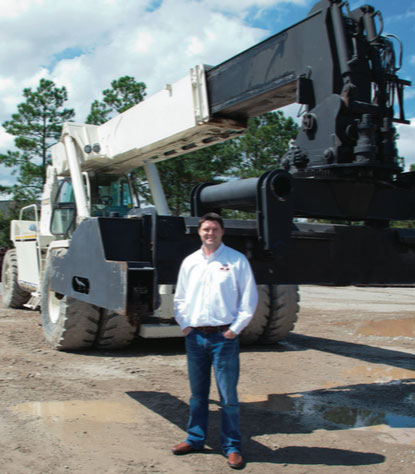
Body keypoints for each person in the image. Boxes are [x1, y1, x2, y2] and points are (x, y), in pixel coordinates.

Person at [172, 212, 258, 470]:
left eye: (215, 229)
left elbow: (249, 299)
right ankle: (195, 439)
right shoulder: (190, 262)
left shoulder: (236, 260)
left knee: (228, 397)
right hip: (195, 337)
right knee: (198, 395)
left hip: (224, 339)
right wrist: (185, 325)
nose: (210, 233)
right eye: (206, 229)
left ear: (222, 232)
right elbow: (180, 299)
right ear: (199, 232)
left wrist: (233, 330)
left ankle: (231, 448)